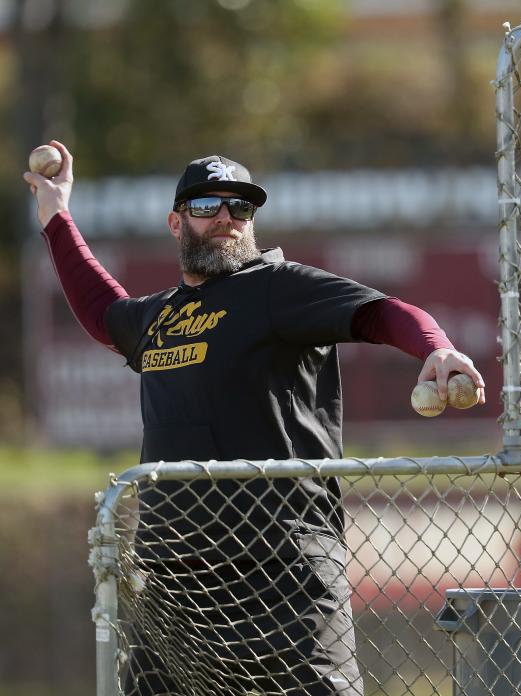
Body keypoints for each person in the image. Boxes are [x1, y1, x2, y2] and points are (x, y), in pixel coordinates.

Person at [24, 141, 486, 695]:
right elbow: (102, 311)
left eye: (239, 207)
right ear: (176, 222)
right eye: (206, 206)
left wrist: (435, 349)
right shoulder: (161, 316)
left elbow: (383, 313)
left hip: (279, 567)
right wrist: (56, 216)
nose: (225, 218)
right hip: (179, 578)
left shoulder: (275, 287)